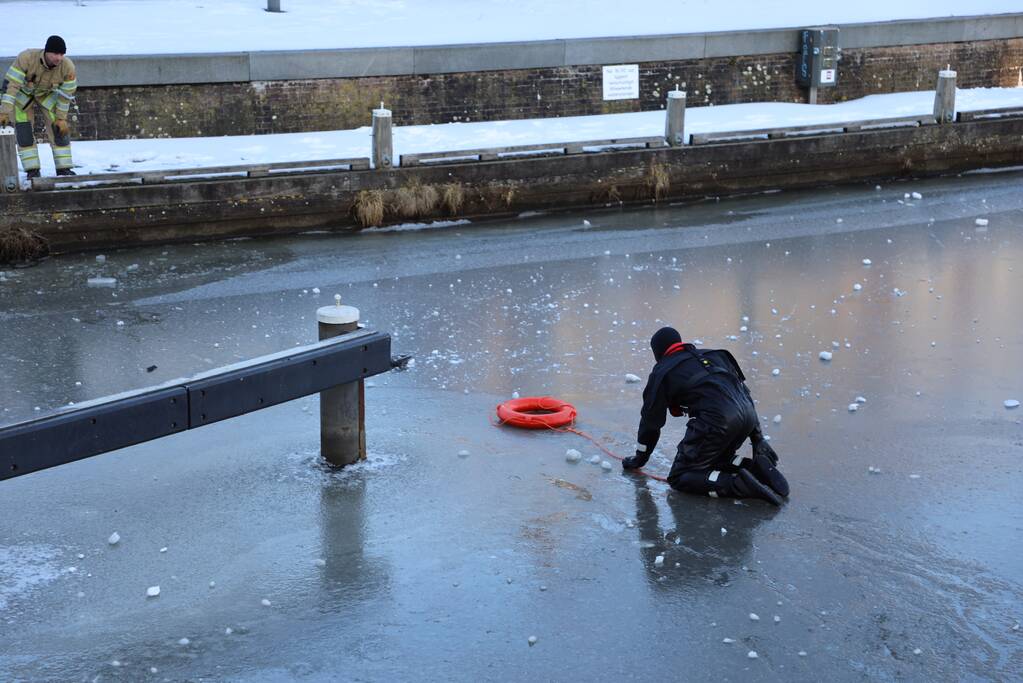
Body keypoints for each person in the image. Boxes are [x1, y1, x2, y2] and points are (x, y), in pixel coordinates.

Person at [623, 326, 790, 506]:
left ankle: (738, 485)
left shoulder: (662, 372)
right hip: (747, 416)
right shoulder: (716, 355)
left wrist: (640, 458)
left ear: (657, 353)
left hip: (717, 421)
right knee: (710, 459)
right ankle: (753, 468)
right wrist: (758, 438)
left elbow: (651, 423)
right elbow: (743, 393)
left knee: (680, 476)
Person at [0, 35, 77, 178]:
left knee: (59, 129)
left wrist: (61, 118)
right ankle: (32, 170)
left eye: (61, 54)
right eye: (55, 53)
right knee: (24, 132)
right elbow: (11, 86)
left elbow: (66, 96)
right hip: (22, 96)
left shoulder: (68, 67)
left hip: (46, 95)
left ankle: (64, 169)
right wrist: (4, 112)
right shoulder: (26, 58)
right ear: (46, 51)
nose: (59, 58)